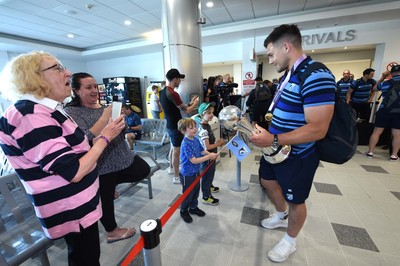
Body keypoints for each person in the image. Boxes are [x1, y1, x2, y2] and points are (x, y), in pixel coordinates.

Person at [0, 51, 126, 265]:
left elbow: (80, 148)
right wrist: (106, 136)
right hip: (70, 207)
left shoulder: (50, 110)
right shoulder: (29, 115)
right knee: (85, 258)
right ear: (34, 77)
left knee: (88, 254)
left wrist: (103, 135)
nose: (68, 72)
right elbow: (74, 171)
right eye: (58, 68)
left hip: (80, 202)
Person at [249, 24, 336, 262]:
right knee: (267, 180)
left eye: (271, 53)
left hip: (299, 154)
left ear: (286, 46)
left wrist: (274, 137)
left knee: (296, 199)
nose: (270, 59)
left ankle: (290, 241)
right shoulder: (289, 74)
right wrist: (266, 133)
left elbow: (318, 128)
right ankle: (280, 214)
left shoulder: (316, 74)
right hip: (275, 148)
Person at [65, 72, 150, 244]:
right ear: (76, 90)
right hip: (101, 162)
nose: (94, 90)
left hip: (121, 154)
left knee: (143, 169)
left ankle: (110, 186)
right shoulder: (72, 112)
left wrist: (122, 125)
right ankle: (112, 231)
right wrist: (105, 119)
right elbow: (84, 138)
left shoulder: (102, 106)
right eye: (88, 87)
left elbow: (117, 131)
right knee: (106, 200)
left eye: (95, 86)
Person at [159, 68, 199, 184]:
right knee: (176, 150)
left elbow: (179, 106)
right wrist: (195, 104)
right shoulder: (173, 93)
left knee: (172, 147)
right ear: (175, 79)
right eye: (179, 80)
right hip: (175, 126)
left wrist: (190, 103)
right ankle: (177, 177)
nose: (180, 82)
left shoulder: (162, 92)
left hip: (169, 124)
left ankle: (171, 169)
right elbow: (186, 111)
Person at [177, 118, 218, 223]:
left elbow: (202, 150)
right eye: (191, 128)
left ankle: (193, 208)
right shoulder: (185, 143)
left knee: (195, 192)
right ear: (184, 131)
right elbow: (194, 160)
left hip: (196, 172)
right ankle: (184, 210)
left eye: (195, 126)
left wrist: (210, 154)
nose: (195, 129)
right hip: (187, 174)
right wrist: (209, 157)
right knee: (188, 194)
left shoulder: (195, 139)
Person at [365, 64, 400, 161]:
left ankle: (370, 152)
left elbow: (375, 88)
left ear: (391, 73)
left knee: (377, 132)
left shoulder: (386, 83)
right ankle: (394, 155)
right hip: (398, 112)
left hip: (384, 110)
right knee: (397, 134)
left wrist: (383, 77)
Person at [197, 102, 225, 205]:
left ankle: (210, 185)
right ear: (202, 114)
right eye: (209, 113)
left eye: (212, 112)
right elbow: (207, 147)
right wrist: (218, 143)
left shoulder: (207, 125)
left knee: (211, 172)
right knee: (207, 175)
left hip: (211, 156)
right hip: (207, 157)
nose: (211, 115)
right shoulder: (203, 130)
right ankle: (206, 196)